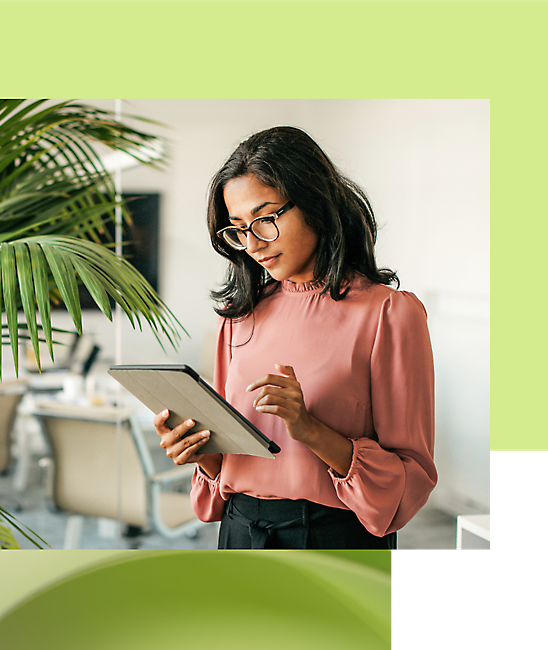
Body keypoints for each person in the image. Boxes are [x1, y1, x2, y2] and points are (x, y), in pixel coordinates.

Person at [154, 126, 438, 549]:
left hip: (333, 538)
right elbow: (231, 467)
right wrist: (202, 454)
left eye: (265, 219)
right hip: (239, 531)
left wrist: (308, 427)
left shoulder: (388, 314)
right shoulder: (237, 318)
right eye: (237, 229)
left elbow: (410, 478)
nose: (252, 243)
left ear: (314, 203)